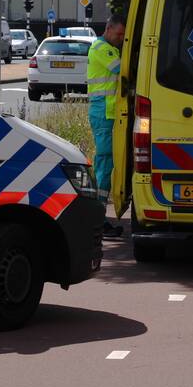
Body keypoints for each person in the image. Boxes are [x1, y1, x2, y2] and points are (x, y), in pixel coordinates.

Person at [87, 14, 125, 238]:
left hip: (107, 114)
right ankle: (97, 221)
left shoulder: (109, 48)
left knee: (107, 163)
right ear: (108, 28)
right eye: (119, 34)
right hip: (103, 114)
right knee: (103, 164)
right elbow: (123, 69)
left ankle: (99, 219)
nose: (120, 38)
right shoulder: (102, 48)